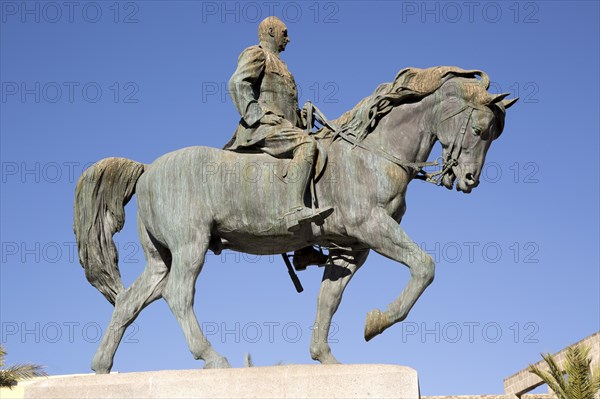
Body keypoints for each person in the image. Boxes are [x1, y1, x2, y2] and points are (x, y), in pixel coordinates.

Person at [224, 16, 333, 233]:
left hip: (282, 127)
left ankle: (304, 248)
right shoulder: (257, 54)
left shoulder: (281, 65)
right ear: (272, 32)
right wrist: (258, 115)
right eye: (285, 33)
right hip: (261, 127)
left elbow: (282, 103)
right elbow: (237, 83)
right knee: (306, 144)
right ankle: (294, 208)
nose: (288, 39)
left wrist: (302, 117)